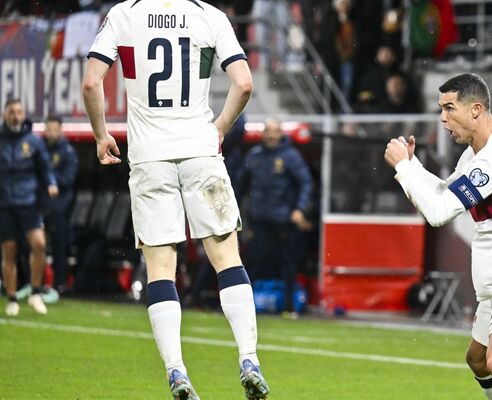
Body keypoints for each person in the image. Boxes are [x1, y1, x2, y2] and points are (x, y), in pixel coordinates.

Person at [81, 1, 268, 399]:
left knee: (160, 268)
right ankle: (248, 358)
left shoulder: (124, 14)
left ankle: (176, 371)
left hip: (150, 157)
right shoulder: (210, 16)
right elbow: (245, 83)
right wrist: (219, 126)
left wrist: (100, 135)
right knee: (227, 259)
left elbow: (91, 82)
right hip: (200, 152)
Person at [384, 73, 492, 400]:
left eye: (450, 108)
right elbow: (443, 193)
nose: (443, 118)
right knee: (478, 360)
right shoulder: (475, 156)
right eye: (441, 109)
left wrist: (403, 170)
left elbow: (438, 213)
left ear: (476, 109)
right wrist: (413, 166)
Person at [238, 118, 313, 319]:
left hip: (283, 221)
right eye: (268, 131)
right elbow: (240, 187)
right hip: (259, 220)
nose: (271, 135)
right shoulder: (254, 156)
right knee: (252, 262)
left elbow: (305, 183)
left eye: (275, 131)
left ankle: (289, 307)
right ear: (263, 134)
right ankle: (241, 307)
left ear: (281, 134)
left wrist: (299, 209)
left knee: (287, 263)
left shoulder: (290, 156)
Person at [1, 99, 58, 317]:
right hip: (5, 204)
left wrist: (51, 183)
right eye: (12, 112)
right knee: (9, 252)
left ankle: (35, 292)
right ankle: (12, 298)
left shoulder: (33, 141)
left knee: (39, 244)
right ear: (5, 114)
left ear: (24, 114)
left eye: (19, 112)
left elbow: (45, 167)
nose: (16, 116)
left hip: (29, 202)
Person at [41, 116, 78, 294]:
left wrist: (50, 181)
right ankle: (33, 284)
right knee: (35, 246)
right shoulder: (40, 148)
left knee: (59, 246)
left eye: (54, 129)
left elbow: (69, 178)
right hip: (40, 206)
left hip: (60, 207)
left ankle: (58, 285)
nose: (50, 133)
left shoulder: (67, 151)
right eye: (48, 129)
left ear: (60, 130)